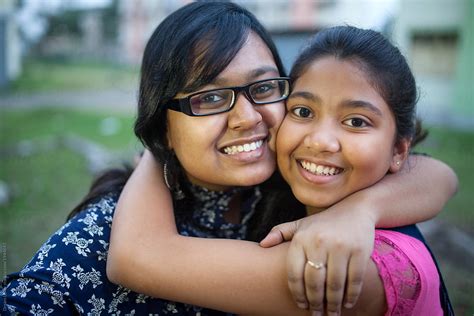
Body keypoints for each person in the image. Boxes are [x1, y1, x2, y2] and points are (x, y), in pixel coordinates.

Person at [1, 2, 456, 315]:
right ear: (164, 126)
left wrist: (362, 209)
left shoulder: (301, 183)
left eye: (262, 88)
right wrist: (155, 156)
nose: (247, 117)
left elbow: (436, 174)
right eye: (210, 97)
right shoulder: (110, 230)